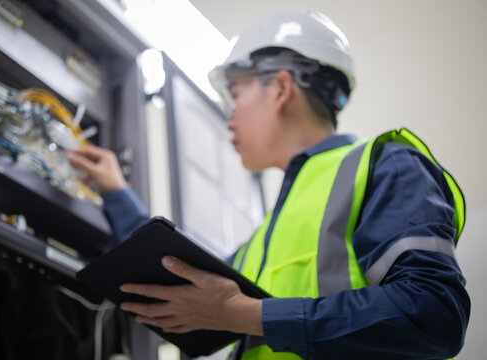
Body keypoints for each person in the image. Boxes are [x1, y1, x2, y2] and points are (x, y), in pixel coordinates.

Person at [68, 9, 470, 360]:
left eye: (235, 94)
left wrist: (238, 314)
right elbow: (172, 273)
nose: (228, 118)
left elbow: (433, 313)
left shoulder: (386, 164)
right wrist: (116, 192)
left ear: (280, 88)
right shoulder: (262, 240)